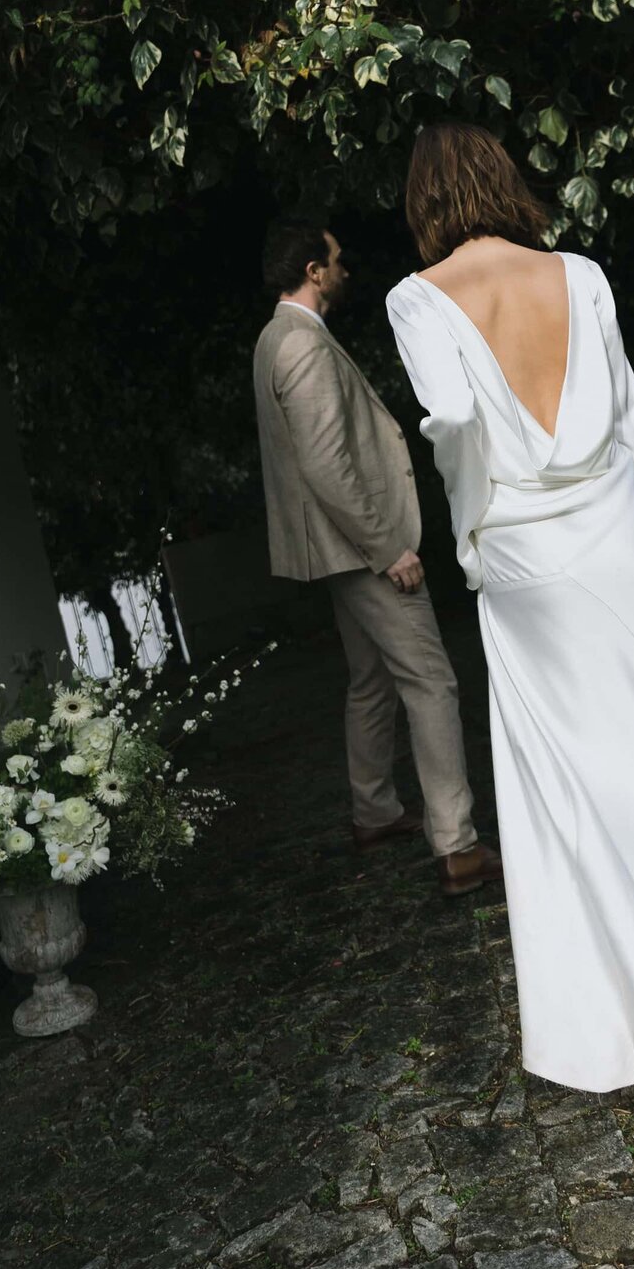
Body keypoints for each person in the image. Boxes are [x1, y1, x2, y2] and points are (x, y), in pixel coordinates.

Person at [385, 125, 634, 1092]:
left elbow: (451, 425)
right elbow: (631, 418)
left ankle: (623, 1000)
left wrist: (471, 535)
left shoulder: (417, 298)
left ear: (424, 206)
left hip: (528, 555)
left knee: (565, 773)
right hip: (622, 542)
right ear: (503, 181)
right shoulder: (581, 273)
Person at [253, 219, 504, 897]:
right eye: (336, 259)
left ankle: (375, 811)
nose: (346, 269)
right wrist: (387, 547)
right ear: (312, 270)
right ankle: (457, 847)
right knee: (431, 682)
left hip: (335, 550)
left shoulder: (274, 338)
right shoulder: (301, 343)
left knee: (370, 679)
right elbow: (327, 464)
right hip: (361, 546)